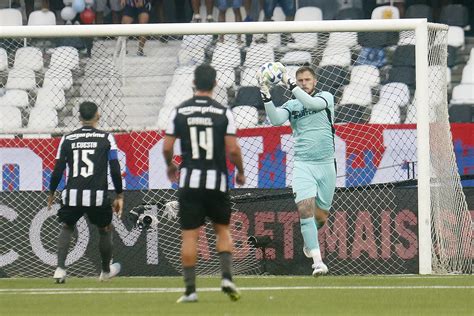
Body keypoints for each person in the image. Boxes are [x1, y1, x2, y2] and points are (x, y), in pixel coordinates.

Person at [163, 64, 246, 303]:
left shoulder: (180, 111)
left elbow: (167, 146)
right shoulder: (223, 112)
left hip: (189, 181)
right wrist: (240, 171)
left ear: (193, 83)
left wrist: (170, 165)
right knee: (222, 230)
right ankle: (227, 277)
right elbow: (233, 149)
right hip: (217, 181)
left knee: (190, 236)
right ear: (216, 84)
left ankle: (190, 291)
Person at [257, 64, 336, 277]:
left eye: (307, 80)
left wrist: (290, 84)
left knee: (320, 216)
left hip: (327, 165)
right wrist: (265, 94)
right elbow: (275, 120)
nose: (303, 83)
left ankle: (310, 241)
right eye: (300, 80)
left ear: (315, 81)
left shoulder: (326, 98)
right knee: (304, 210)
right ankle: (318, 263)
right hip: (303, 165)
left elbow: (310, 103)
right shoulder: (292, 105)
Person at [48, 101, 124, 283]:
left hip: (72, 194)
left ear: (80, 117)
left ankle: (60, 269)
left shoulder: (66, 139)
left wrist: (51, 193)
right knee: (105, 229)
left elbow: (58, 169)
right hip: (97, 195)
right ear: (98, 115)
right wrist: (120, 194)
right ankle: (105, 272)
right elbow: (115, 167)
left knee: (67, 226)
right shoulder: (106, 138)